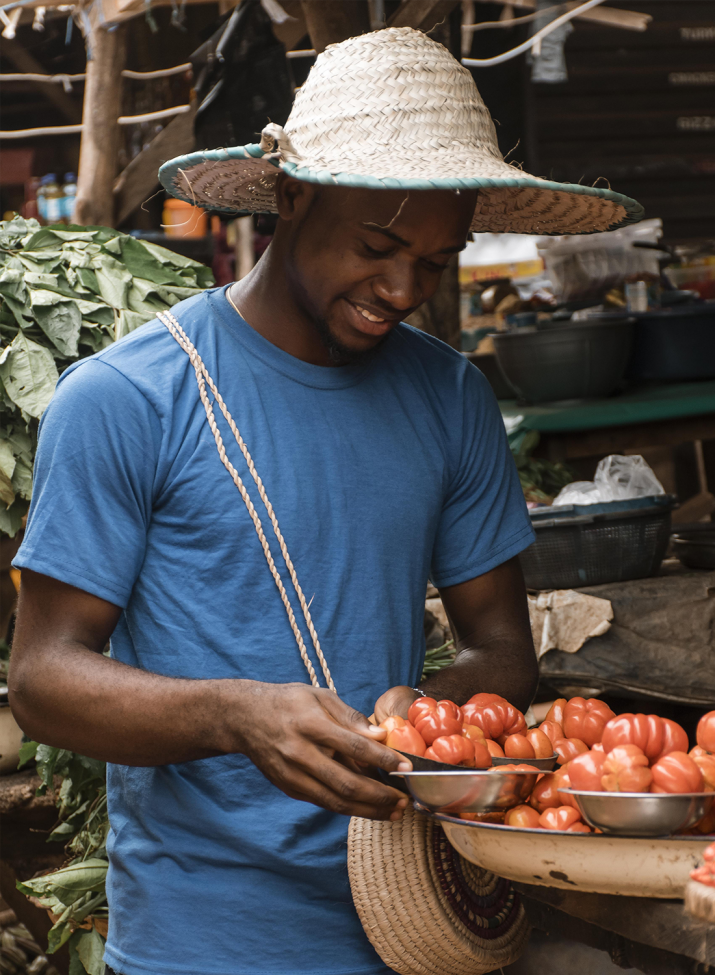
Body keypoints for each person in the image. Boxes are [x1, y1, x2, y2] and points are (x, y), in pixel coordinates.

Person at [9, 27, 641, 975]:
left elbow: (503, 650)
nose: (401, 290)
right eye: (379, 245)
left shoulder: (450, 396)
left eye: (434, 262)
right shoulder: (129, 399)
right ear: (291, 197)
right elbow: (44, 678)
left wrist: (425, 713)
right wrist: (235, 714)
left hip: (423, 916)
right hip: (206, 942)